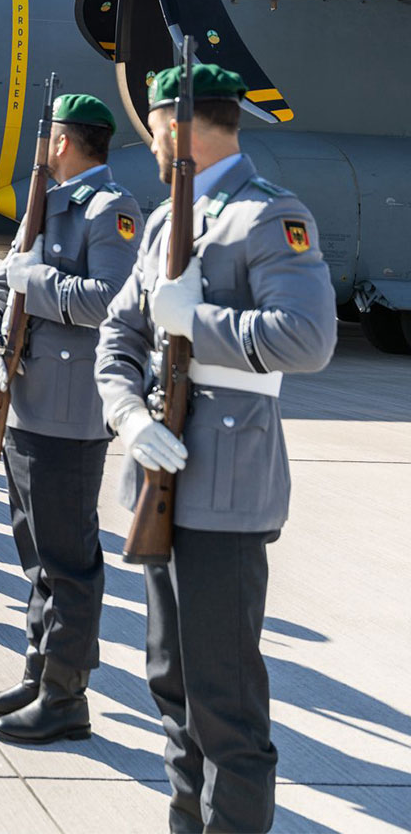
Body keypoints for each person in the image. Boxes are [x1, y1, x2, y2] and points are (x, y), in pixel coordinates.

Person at [96, 65, 335, 834]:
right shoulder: (168, 221)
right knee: (170, 683)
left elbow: (308, 339)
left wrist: (197, 322)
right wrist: (128, 416)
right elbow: (119, 338)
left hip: (228, 492)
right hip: (158, 476)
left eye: (155, 126)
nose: (152, 139)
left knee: (224, 702)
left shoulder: (269, 217)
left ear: (176, 124)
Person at [0, 94, 143, 743]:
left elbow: (112, 300)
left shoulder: (109, 210)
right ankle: (39, 667)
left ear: (65, 144)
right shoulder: (45, 207)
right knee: (35, 553)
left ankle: (66, 695)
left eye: (48, 140)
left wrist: (33, 280)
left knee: (67, 558)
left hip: (70, 412)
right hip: (22, 403)